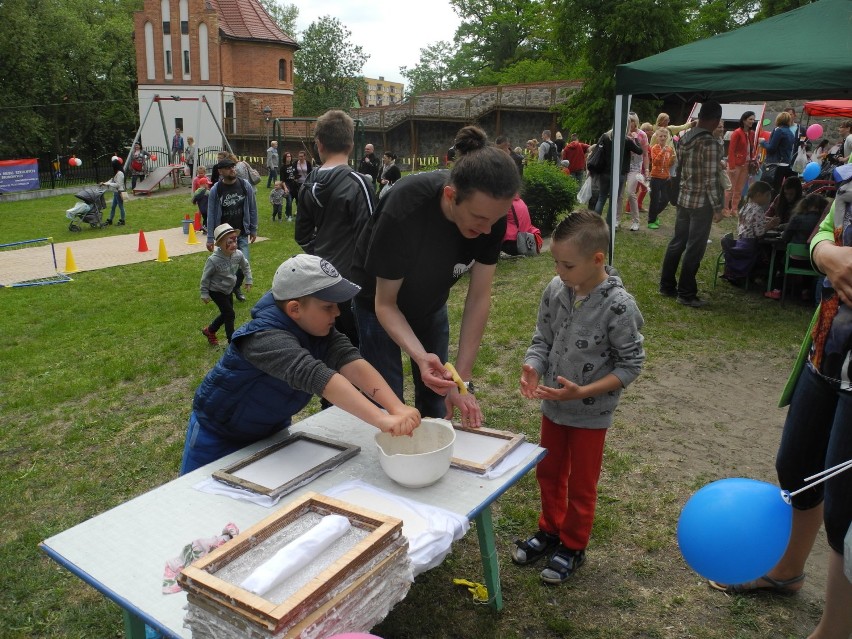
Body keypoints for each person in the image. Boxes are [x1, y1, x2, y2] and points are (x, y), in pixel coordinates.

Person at [709, 196, 852, 639]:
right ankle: (787, 571)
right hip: (829, 344)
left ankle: (835, 630)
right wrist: (827, 255)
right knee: (797, 466)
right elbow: (824, 230)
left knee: (845, 507)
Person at [179, 254, 422, 474]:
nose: (337, 313)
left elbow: (351, 361)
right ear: (295, 309)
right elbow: (319, 377)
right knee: (195, 499)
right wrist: (380, 420)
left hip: (271, 429)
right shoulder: (263, 338)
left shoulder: (318, 328)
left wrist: (396, 408)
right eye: (328, 306)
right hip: (218, 435)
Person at [350, 125, 520, 427]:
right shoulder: (404, 210)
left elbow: (479, 297)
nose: (486, 229)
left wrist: (461, 380)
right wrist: (418, 354)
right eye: (479, 218)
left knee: (438, 392)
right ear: (451, 195)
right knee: (388, 401)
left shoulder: (490, 218)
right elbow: (385, 305)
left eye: (495, 220)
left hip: (430, 303)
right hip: (377, 304)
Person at [512, 209, 645, 585]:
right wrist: (532, 366)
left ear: (597, 259)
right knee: (550, 471)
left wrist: (583, 391)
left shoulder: (618, 306)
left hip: (591, 415)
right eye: (555, 261)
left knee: (582, 484)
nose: (559, 271)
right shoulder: (557, 290)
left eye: (567, 265)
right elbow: (543, 339)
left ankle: (572, 545)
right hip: (553, 407)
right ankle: (550, 530)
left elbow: (631, 364)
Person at [296, 109, 376, 348]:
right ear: (351, 145)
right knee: (358, 349)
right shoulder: (359, 183)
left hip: (319, 280)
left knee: (329, 348)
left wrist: (322, 255)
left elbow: (302, 234)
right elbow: (371, 237)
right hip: (353, 286)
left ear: (319, 144)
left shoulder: (308, 183)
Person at [659, 100, 725, 307]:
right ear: (715, 120)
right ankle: (686, 293)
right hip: (701, 202)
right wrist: (717, 207)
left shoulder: (685, 137)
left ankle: (667, 285)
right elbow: (711, 178)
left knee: (678, 241)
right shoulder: (710, 143)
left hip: (685, 197)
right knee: (695, 247)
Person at [205, 157, 258, 303]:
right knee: (223, 267)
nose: (233, 170)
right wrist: (210, 237)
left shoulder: (244, 185)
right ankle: (221, 292)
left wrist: (253, 229)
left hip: (241, 232)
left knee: (243, 263)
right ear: (221, 171)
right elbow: (210, 213)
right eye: (229, 168)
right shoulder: (216, 189)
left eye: (233, 167)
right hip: (223, 236)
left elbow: (253, 208)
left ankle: (236, 287)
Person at [199, 223, 252, 346]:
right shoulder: (213, 260)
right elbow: (205, 277)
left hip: (228, 288)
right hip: (216, 290)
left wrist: (248, 279)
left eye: (235, 240)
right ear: (221, 244)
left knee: (226, 313)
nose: (234, 244)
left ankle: (210, 330)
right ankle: (231, 341)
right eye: (230, 242)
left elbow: (245, 266)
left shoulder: (238, 254)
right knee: (230, 314)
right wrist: (204, 293)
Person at [720, 181, 778, 284]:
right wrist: (770, 225)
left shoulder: (745, 206)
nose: (769, 198)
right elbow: (759, 233)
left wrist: (766, 220)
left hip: (740, 242)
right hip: (750, 246)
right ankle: (758, 277)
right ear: (758, 195)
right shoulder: (758, 209)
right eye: (767, 195)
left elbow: (751, 222)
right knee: (767, 255)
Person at [592, 122, 643, 226]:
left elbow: (597, 150)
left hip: (605, 172)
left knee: (601, 198)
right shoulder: (626, 140)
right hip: (619, 173)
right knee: (614, 199)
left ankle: (595, 223)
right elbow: (639, 151)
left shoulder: (605, 137)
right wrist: (636, 139)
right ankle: (609, 222)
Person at [726, 111, 758, 217]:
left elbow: (752, 147)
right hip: (736, 164)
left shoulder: (752, 133)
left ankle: (734, 209)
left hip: (746, 164)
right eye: (750, 119)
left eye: (753, 120)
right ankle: (725, 208)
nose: (752, 122)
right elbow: (731, 150)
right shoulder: (737, 132)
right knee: (730, 188)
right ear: (744, 120)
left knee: (739, 189)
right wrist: (731, 166)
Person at [623, 113, 650, 232]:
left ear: (636, 122)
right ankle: (616, 220)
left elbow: (644, 154)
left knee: (630, 192)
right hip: (622, 166)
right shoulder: (622, 132)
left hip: (634, 167)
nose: (631, 123)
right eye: (629, 121)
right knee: (618, 194)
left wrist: (647, 169)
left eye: (633, 121)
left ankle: (636, 221)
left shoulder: (642, 134)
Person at [648, 127, 676, 229]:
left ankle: (654, 215)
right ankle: (651, 220)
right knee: (654, 200)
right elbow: (655, 162)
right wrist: (662, 152)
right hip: (655, 177)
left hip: (665, 178)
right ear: (657, 137)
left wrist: (672, 159)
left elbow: (668, 164)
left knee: (665, 199)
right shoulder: (654, 148)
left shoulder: (670, 149)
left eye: (665, 136)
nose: (663, 138)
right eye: (661, 136)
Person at [101, 158, 127, 226]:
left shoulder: (120, 173)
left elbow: (118, 184)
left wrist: (108, 184)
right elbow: (111, 180)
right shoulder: (117, 173)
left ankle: (122, 220)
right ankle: (110, 219)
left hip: (119, 192)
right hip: (116, 192)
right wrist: (105, 183)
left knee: (121, 207)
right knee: (113, 207)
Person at [281, 151, 297, 221]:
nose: (289, 158)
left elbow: (296, 174)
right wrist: (285, 188)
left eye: (290, 156)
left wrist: (296, 177)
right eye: (287, 156)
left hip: (294, 185)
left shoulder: (294, 165)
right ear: (285, 158)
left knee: (298, 200)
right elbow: (282, 180)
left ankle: (287, 212)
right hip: (287, 185)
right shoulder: (282, 168)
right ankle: (289, 215)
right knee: (289, 201)